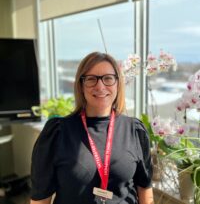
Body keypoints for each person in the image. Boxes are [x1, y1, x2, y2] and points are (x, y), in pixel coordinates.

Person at [30, 52, 154, 204]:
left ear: (118, 83)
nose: (100, 86)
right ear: (81, 86)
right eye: (91, 79)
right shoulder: (57, 132)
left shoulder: (135, 130)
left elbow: (145, 190)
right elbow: (40, 199)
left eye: (108, 78)